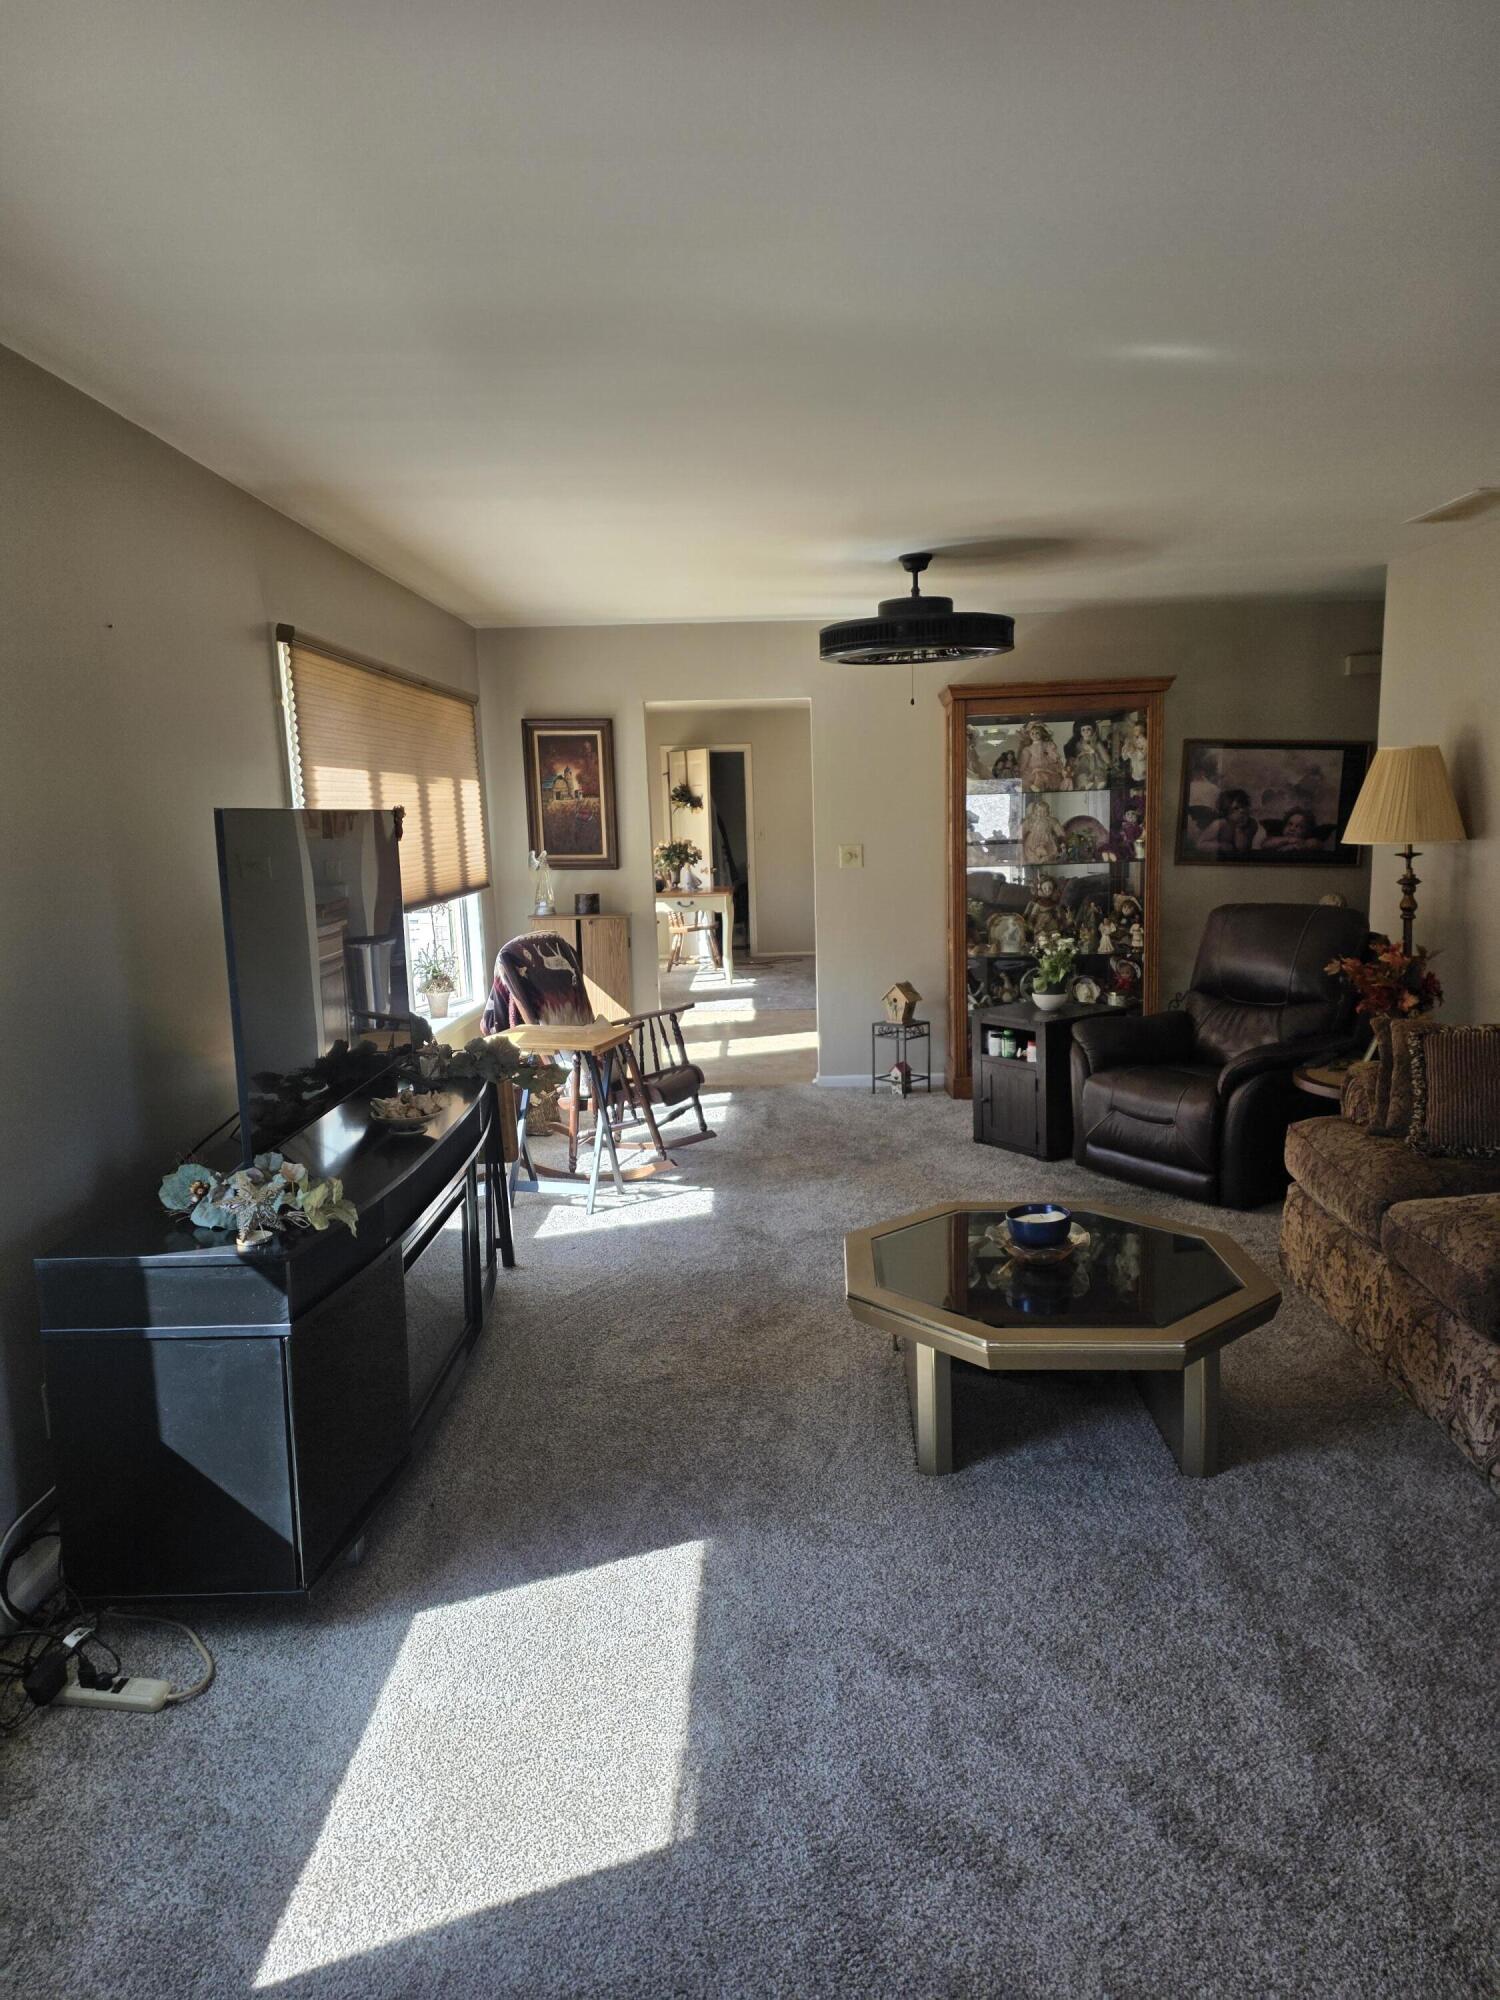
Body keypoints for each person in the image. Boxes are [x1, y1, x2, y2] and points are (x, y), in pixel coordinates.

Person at [1192, 787, 1264, 856]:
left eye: (1244, 806)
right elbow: (1200, 845)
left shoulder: (1251, 823)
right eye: (1236, 808)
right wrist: (1220, 846)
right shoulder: (1220, 824)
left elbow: (1241, 848)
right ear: (1226, 812)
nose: (1242, 811)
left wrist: (1239, 829)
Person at [1261, 806, 1327, 854]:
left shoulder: (1307, 841)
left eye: (1299, 826)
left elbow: (1317, 844)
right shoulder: (1276, 838)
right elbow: (1265, 844)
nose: (1292, 829)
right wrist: (1288, 840)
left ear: (1307, 831)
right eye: (1290, 824)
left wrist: (1296, 845)